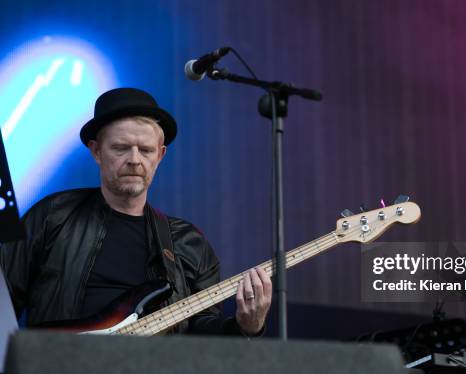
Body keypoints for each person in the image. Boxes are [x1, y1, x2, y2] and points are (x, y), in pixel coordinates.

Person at [0, 87, 272, 336]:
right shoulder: (53, 215)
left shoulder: (189, 244)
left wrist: (246, 327)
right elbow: (4, 299)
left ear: (160, 155)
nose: (134, 159)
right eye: (120, 148)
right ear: (96, 151)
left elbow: (201, 337)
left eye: (145, 150)